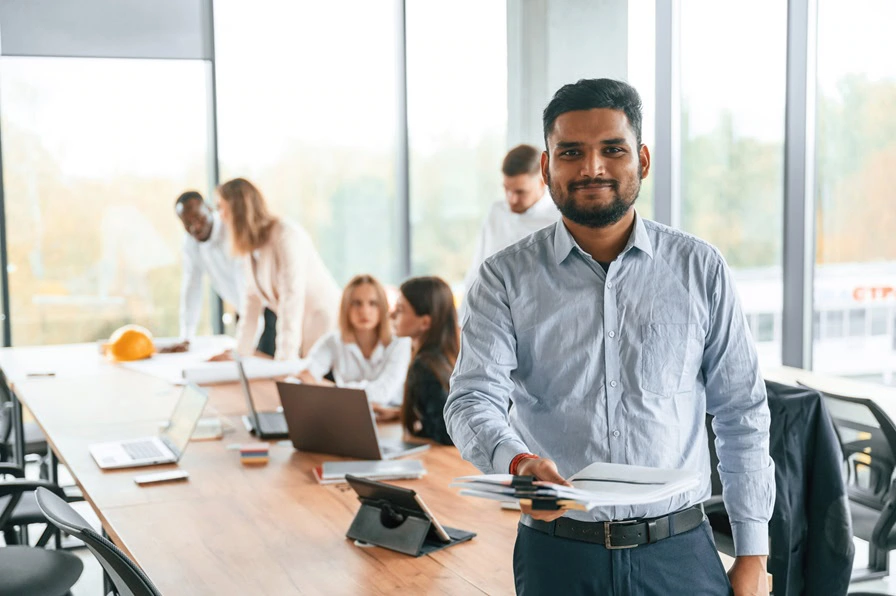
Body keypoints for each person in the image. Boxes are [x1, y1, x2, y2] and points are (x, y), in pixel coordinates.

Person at [445, 79, 773, 596]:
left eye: (612, 149)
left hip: (679, 553)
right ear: (548, 168)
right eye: (571, 152)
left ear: (641, 160)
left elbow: (742, 413)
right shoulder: (503, 278)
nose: (591, 167)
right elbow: (470, 400)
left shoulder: (699, 268)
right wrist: (517, 461)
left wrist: (753, 554)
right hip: (557, 553)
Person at [212, 178, 340, 361]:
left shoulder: (285, 235)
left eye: (220, 207)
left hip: (323, 325)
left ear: (237, 209)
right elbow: (251, 303)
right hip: (300, 330)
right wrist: (238, 354)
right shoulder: (251, 248)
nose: (220, 215)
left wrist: (284, 359)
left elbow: (292, 298)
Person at [460, 144, 559, 312]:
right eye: (507, 189)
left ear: (543, 181)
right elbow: (478, 267)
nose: (511, 199)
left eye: (520, 192)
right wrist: (462, 318)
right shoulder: (497, 211)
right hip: (493, 312)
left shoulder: (559, 218)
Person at [296, 274, 411, 409]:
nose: (364, 311)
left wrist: (331, 389)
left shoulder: (400, 344)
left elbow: (383, 393)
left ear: (383, 307)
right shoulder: (333, 341)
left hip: (391, 422)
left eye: (373, 303)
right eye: (357, 303)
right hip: (348, 414)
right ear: (346, 308)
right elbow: (304, 376)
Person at [161, 192, 244, 353]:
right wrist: (186, 338)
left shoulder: (232, 231)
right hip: (242, 309)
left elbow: (248, 285)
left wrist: (244, 344)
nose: (195, 227)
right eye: (187, 223)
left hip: (265, 307)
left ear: (209, 209)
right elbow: (192, 288)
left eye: (199, 218)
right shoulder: (190, 243)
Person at [390, 276, 458, 445]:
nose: (391, 314)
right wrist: (398, 412)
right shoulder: (445, 358)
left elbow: (447, 433)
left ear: (425, 322)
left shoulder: (424, 366)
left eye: (400, 309)